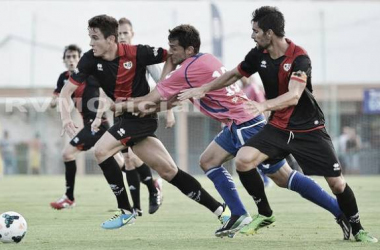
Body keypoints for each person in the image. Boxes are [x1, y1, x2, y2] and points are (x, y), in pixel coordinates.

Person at [115, 24, 353, 239]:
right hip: (240, 122)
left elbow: (151, 98)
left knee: (284, 178)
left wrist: (119, 104)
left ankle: (338, 211)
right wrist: (154, 104)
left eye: (174, 48)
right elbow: (167, 100)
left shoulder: (184, 71)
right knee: (208, 161)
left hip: (245, 125)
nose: (170, 53)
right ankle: (239, 214)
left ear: (188, 50)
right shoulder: (205, 59)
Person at [178, 6, 378, 243]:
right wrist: (204, 88)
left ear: (269, 33)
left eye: (255, 31)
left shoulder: (300, 58)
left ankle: (357, 227)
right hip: (278, 128)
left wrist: (263, 106)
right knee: (244, 160)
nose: (252, 35)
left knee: (336, 183)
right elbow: (234, 74)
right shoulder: (257, 55)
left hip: (309, 128)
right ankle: (264, 214)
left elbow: (294, 96)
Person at [59, 15, 229, 231]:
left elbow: (173, 56)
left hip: (141, 117)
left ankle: (126, 211)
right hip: (124, 120)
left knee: (101, 151)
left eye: (95, 38)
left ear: (111, 39)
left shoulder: (138, 52)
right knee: (169, 172)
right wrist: (65, 119)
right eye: (89, 38)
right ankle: (222, 211)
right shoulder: (90, 59)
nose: (91, 43)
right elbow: (66, 91)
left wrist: (164, 86)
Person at [50, 44, 122, 210]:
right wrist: (54, 102)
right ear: (64, 60)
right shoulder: (63, 78)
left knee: (68, 154)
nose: (71, 60)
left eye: (74, 56)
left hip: (97, 124)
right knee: (122, 163)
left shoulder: (90, 74)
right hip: (92, 124)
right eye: (68, 57)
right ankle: (149, 181)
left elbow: (106, 92)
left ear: (80, 58)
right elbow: (57, 98)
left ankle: (69, 198)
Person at [117, 17, 174, 216]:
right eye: (118, 34)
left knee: (132, 159)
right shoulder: (111, 60)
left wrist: (169, 112)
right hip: (121, 116)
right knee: (129, 161)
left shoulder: (141, 56)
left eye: (125, 33)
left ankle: (139, 205)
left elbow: (163, 84)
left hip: (141, 116)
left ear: (132, 34)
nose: (122, 37)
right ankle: (144, 199)